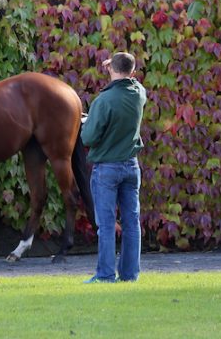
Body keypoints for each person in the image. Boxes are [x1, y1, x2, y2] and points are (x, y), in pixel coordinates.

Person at [81, 52, 147, 283]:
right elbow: (130, 79)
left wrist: (86, 123)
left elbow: (88, 137)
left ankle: (105, 274)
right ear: (133, 71)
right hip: (131, 165)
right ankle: (130, 274)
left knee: (106, 225)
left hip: (107, 168)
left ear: (110, 69)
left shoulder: (104, 101)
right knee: (131, 222)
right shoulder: (139, 93)